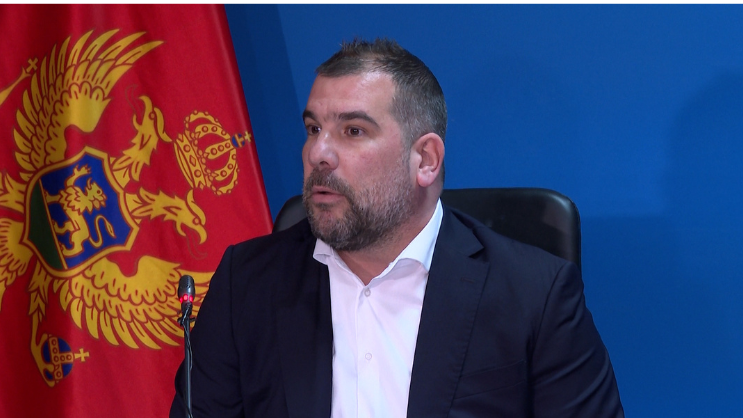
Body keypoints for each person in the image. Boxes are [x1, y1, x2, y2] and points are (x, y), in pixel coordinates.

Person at [170, 38, 624, 418]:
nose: (318, 154)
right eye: (313, 129)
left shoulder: (534, 295)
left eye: (352, 131)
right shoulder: (247, 282)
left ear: (425, 159)